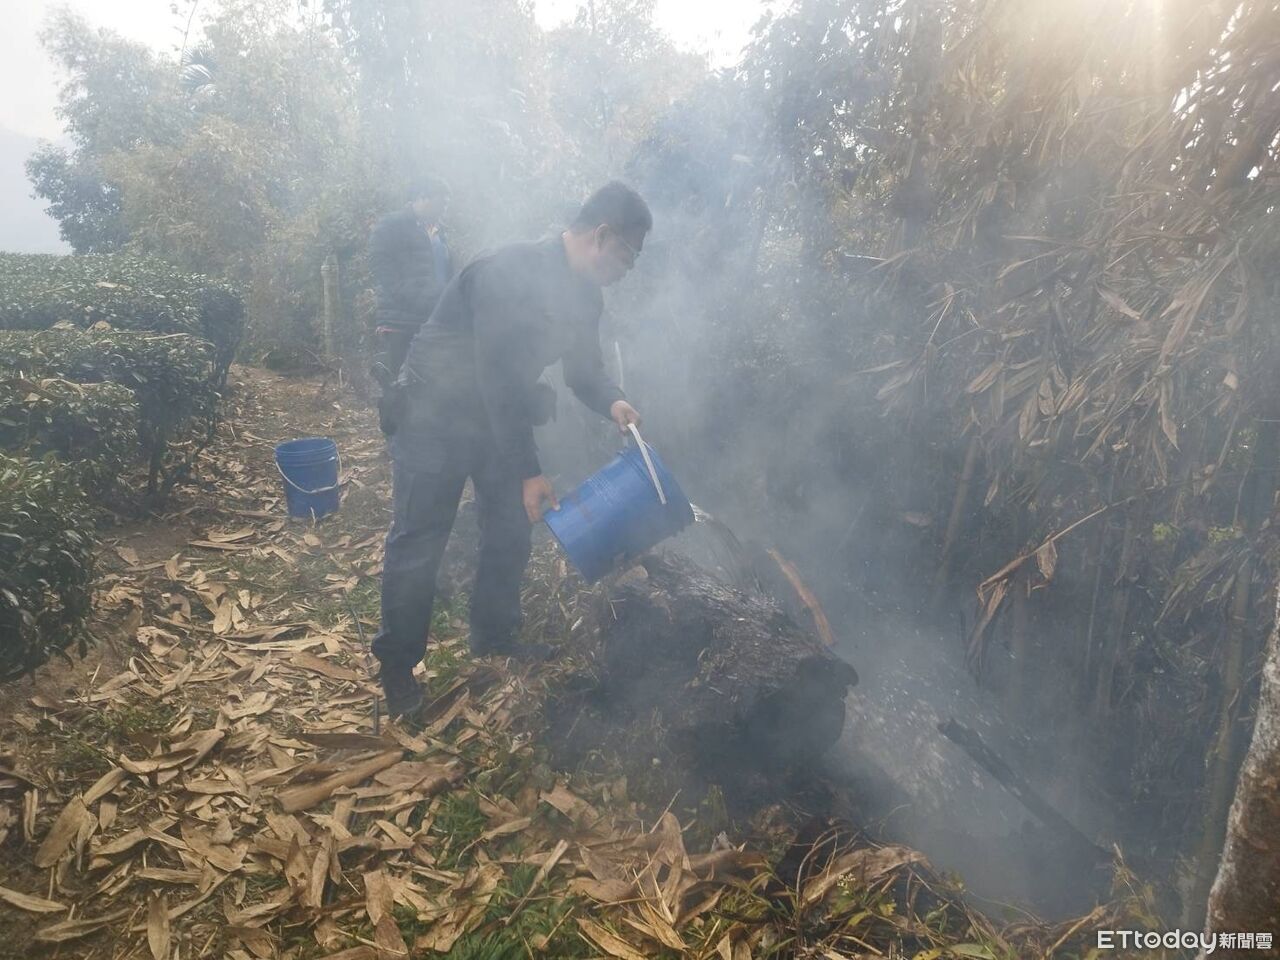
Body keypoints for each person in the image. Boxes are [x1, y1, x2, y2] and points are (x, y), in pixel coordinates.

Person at [373, 181, 650, 720]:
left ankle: (494, 634)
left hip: (495, 419)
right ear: (601, 235)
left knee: (509, 527)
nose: (627, 269)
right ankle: (397, 667)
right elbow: (497, 376)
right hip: (433, 412)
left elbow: (585, 372)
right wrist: (529, 470)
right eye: (628, 255)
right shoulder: (508, 270)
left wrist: (614, 401)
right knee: (420, 540)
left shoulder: (586, 297)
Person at [368, 176, 453, 385]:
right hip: (401, 320)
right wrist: (416, 299)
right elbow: (382, 269)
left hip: (432, 320)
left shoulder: (440, 232)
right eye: (441, 202)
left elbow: (444, 271)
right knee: (396, 386)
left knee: (429, 383)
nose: (445, 208)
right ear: (422, 197)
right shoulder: (392, 226)